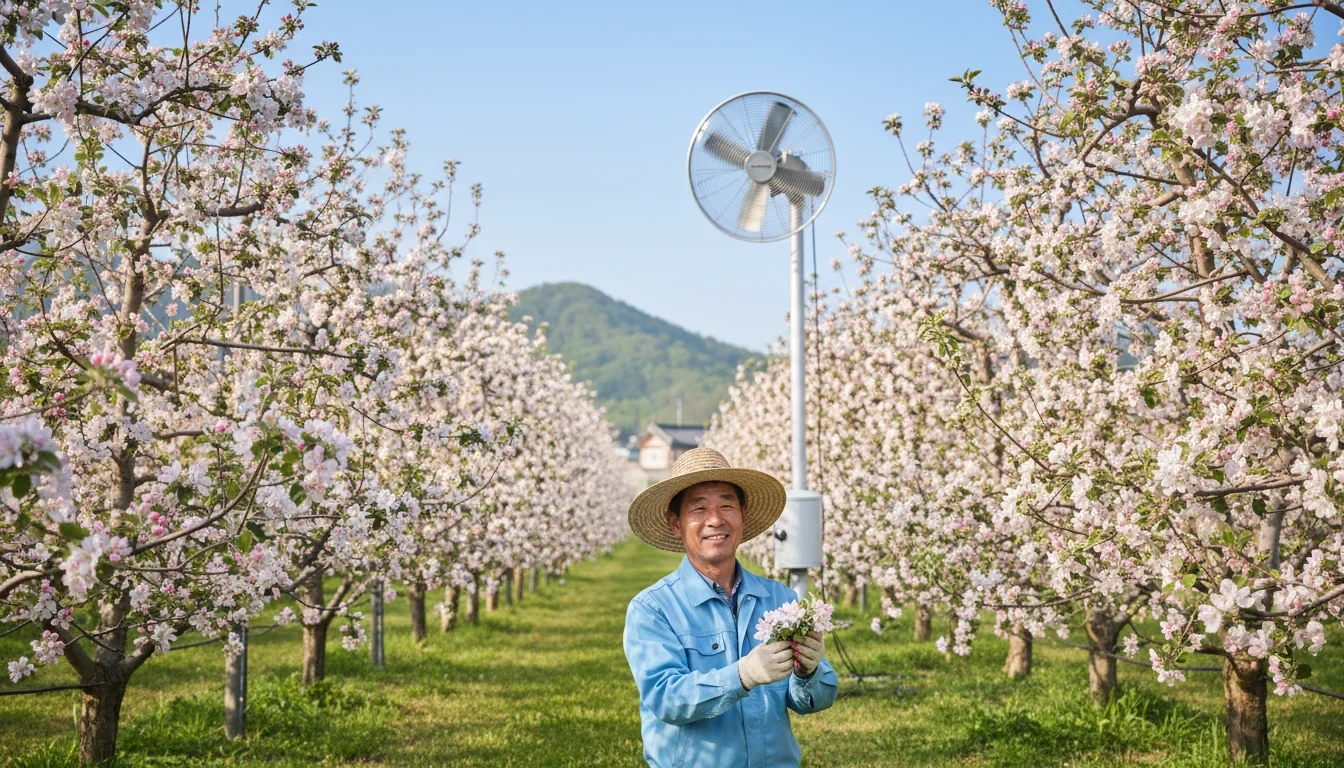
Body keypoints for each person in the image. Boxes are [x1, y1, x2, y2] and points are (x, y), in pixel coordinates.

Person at [623, 447, 838, 767]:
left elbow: (818, 698)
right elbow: (666, 698)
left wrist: (808, 672)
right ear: (675, 523)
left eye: (726, 505)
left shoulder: (780, 600)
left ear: (743, 515)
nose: (715, 520)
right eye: (699, 508)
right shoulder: (653, 609)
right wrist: (743, 675)